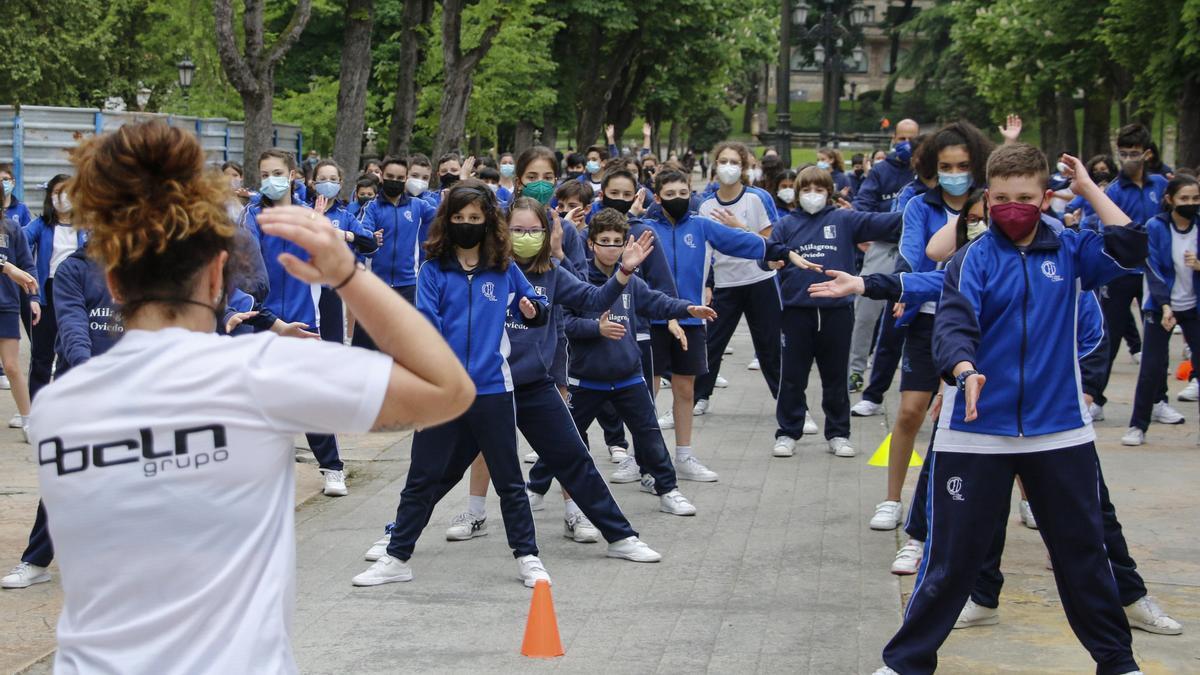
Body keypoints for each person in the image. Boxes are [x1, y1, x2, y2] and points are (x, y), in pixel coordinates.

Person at [29, 119, 473, 671]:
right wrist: (347, 275)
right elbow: (449, 390)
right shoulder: (260, 372)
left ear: (114, 283)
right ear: (219, 277)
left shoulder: (55, 408)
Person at [871, 145, 1147, 675]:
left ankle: (1118, 663)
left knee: (1083, 557)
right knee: (950, 562)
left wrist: (1090, 189)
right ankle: (906, 663)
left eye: (1025, 198)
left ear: (1045, 198)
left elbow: (1131, 246)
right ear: (987, 198)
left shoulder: (1070, 249)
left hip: (1059, 432)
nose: (1012, 208)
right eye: (1001, 198)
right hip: (974, 433)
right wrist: (964, 371)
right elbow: (953, 326)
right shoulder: (970, 258)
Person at [427, 199, 665, 558]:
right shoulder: (484, 270)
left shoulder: (553, 272)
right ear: (504, 230)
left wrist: (624, 273)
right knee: (441, 469)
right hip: (484, 389)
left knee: (574, 458)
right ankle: (397, 536)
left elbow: (594, 297)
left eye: (534, 230)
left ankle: (620, 536)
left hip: (533, 387)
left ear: (546, 233)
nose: (526, 236)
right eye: (518, 229)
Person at [353, 180, 554, 589]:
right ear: (448, 222)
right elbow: (426, 326)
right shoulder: (433, 271)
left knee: (509, 478)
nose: (467, 225)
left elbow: (538, 306)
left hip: (493, 391)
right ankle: (397, 558)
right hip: (441, 394)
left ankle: (527, 556)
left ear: (488, 222)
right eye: (459, 218)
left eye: (475, 219)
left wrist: (533, 309)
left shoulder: (503, 267)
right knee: (422, 476)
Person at [870, 122, 994, 542]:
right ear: (932, 167)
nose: (954, 172)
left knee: (999, 413)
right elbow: (912, 257)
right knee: (909, 411)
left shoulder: (992, 205)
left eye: (962, 165)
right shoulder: (921, 206)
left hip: (982, 321)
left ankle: (1030, 497)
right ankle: (892, 498)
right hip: (928, 317)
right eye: (945, 166)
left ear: (976, 165)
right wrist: (905, 287)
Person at [646, 167, 807, 482]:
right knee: (645, 393)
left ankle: (684, 456)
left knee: (685, 389)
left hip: (692, 318)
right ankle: (644, 457)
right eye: (670, 195)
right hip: (652, 319)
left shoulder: (703, 226)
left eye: (683, 193)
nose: (678, 199)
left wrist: (784, 252)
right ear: (657, 197)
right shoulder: (645, 229)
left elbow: (743, 243)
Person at [556, 208, 715, 513]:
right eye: (604, 240)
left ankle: (668, 490)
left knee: (650, 435)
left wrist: (687, 310)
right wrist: (596, 327)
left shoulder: (632, 280)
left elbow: (657, 302)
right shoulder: (577, 279)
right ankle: (537, 486)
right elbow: (567, 324)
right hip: (587, 377)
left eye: (618, 241)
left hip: (628, 375)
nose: (611, 247)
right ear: (591, 244)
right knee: (566, 437)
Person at [766, 166, 902, 457]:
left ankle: (839, 433)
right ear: (796, 193)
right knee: (792, 375)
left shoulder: (843, 219)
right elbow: (766, 255)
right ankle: (788, 431)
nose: (812, 195)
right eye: (805, 190)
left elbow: (888, 224)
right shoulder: (785, 224)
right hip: (795, 312)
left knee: (835, 375)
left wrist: (920, 208)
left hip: (837, 312)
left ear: (829, 193)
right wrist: (770, 262)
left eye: (819, 190)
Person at [241, 150, 350, 496]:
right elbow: (246, 274)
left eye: (277, 172)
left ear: (291, 176)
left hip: (305, 320)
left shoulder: (310, 216)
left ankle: (332, 468)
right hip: (264, 321)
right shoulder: (251, 218)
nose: (271, 178)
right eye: (264, 173)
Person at [693, 142, 785, 418]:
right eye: (723, 161)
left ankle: (788, 403)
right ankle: (700, 396)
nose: (728, 167)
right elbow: (704, 251)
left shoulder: (757, 198)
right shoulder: (706, 205)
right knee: (712, 345)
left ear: (744, 167)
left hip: (760, 281)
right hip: (725, 284)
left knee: (770, 347)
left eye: (734, 162)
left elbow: (773, 243)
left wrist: (740, 228)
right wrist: (707, 283)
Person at [1099, 123, 1179, 427]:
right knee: (1110, 335)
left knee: (1157, 339)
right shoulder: (1114, 191)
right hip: (1120, 271)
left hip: (1154, 273)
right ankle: (1095, 396)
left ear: (1146, 154)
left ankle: (1159, 400)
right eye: (1122, 153)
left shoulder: (1161, 184)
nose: (1127, 159)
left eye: (1133, 153)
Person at [1122, 174, 1200, 446]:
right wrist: (1165, 305)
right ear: (1170, 199)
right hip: (1160, 306)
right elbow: (1152, 268)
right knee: (1152, 367)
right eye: (1184, 199)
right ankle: (1137, 426)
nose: (1190, 204)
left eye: (1195, 198)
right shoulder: (1155, 226)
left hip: (1193, 306)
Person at [846, 119, 919, 395]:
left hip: (918, 249)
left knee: (910, 312)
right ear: (893, 138)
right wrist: (892, 222)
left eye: (912, 139)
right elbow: (862, 207)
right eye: (901, 138)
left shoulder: (922, 171)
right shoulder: (880, 171)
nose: (906, 144)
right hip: (884, 245)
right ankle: (855, 369)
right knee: (865, 310)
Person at [356, 155, 438, 343]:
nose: (395, 181)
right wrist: (371, 238)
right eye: (390, 176)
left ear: (406, 178)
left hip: (408, 285)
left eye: (400, 178)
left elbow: (445, 216)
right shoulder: (371, 207)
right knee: (368, 342)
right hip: (375, 284)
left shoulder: (418, 206)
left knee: (405, 343)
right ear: (382, 177)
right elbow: (362, 236)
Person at [23, 174, 84, 400]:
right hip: (47, 292)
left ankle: (65, 406)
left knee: (71, 352)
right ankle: (35, 410)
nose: (63, 197)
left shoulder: (86, 227)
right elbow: (19, 242)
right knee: (42, 355)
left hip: (77, 292)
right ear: (50, 196)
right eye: (58, 192)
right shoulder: (40, 225)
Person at [310, 160, 379, 344]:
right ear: (313, 183)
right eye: (322, 178)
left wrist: (347, 235)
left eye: (333, 179)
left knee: (332, 346)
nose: (328, 183)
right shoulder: (302, 210)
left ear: (340, 183)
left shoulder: (345, 216)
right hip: (304, 290)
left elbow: (371, 245)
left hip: (332, 290)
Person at [0, 214, 38, 437]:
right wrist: (8, 268)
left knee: (12, 366)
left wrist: (33, 299)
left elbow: (27, 266)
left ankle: (28, 420)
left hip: (6, 304)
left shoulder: (12, 229)